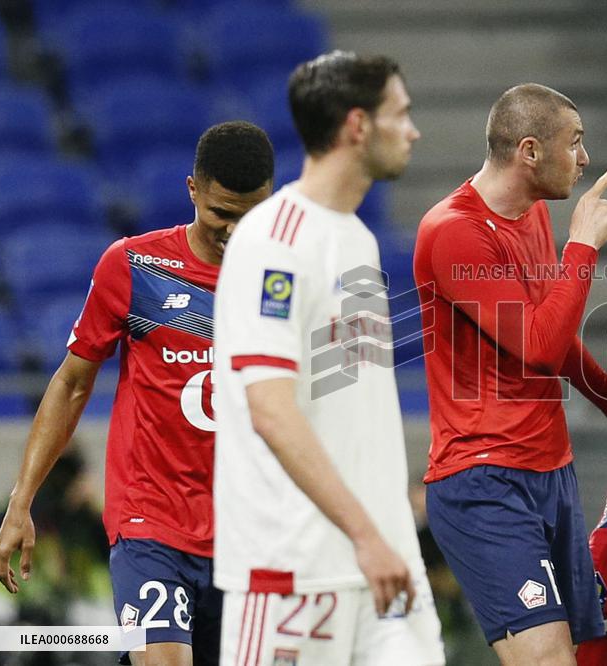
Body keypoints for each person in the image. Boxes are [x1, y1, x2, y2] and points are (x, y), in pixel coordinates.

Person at [0, 121, 275, 665]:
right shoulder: (135, 267)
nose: (235, 230)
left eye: (251, 214)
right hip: (153, 524)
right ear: (193, 189)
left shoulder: (286, 279)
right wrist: (21, 501)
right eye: (221, 214)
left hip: (253, 532)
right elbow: (71, 384)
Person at [413, 83, 607, 665]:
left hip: (547, 471)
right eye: (575, 143)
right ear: (529, 151)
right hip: (482, 480)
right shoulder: (454, 231)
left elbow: (553, 334)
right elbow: (537, 347)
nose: (584, 158)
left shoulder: (529, 216)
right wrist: (582, 247)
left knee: (572, 657)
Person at [211, 51, 444, 665]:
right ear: (358, 126)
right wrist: (364, 535)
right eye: (402, 114)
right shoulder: (274, 243)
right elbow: (270, 409)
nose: (414, 131)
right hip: (296, 570)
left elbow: (351, 404)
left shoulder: (359, 238)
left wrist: (389, 532)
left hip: (385, 567)